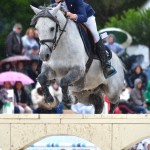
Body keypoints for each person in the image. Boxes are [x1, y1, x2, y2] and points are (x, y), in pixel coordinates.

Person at [50, 0, 116, 78]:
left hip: (86, 17)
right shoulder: (53, 1)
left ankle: (105, 64)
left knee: (95, 35)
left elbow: (83, 17)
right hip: (69, 21)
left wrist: (72, 15)